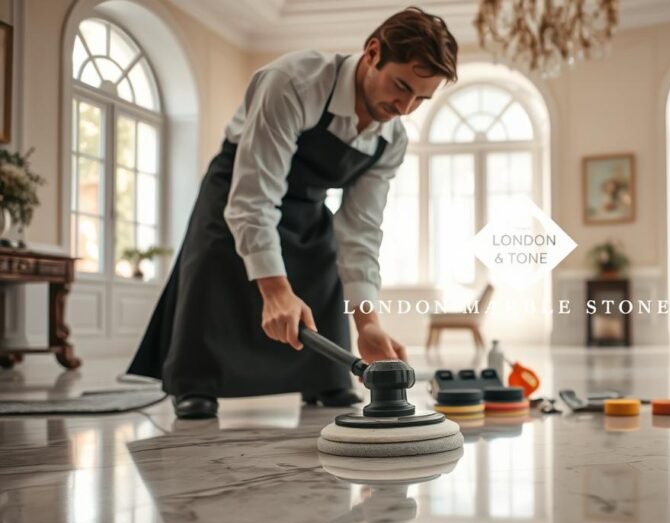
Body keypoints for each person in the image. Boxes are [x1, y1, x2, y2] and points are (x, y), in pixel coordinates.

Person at [127, 8, 458, 419]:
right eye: (401, 86)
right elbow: (254, 196)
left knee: (325, 270)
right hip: (237, 188)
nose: (405, 107)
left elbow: (360, 229)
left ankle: (324, 380)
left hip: (307, 206)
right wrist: (275, 290)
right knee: (217, 274)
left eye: (420, 99)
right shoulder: (293, 82)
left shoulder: (392, 140)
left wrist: (367, 325)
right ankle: (198, 383)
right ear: (372, 53)